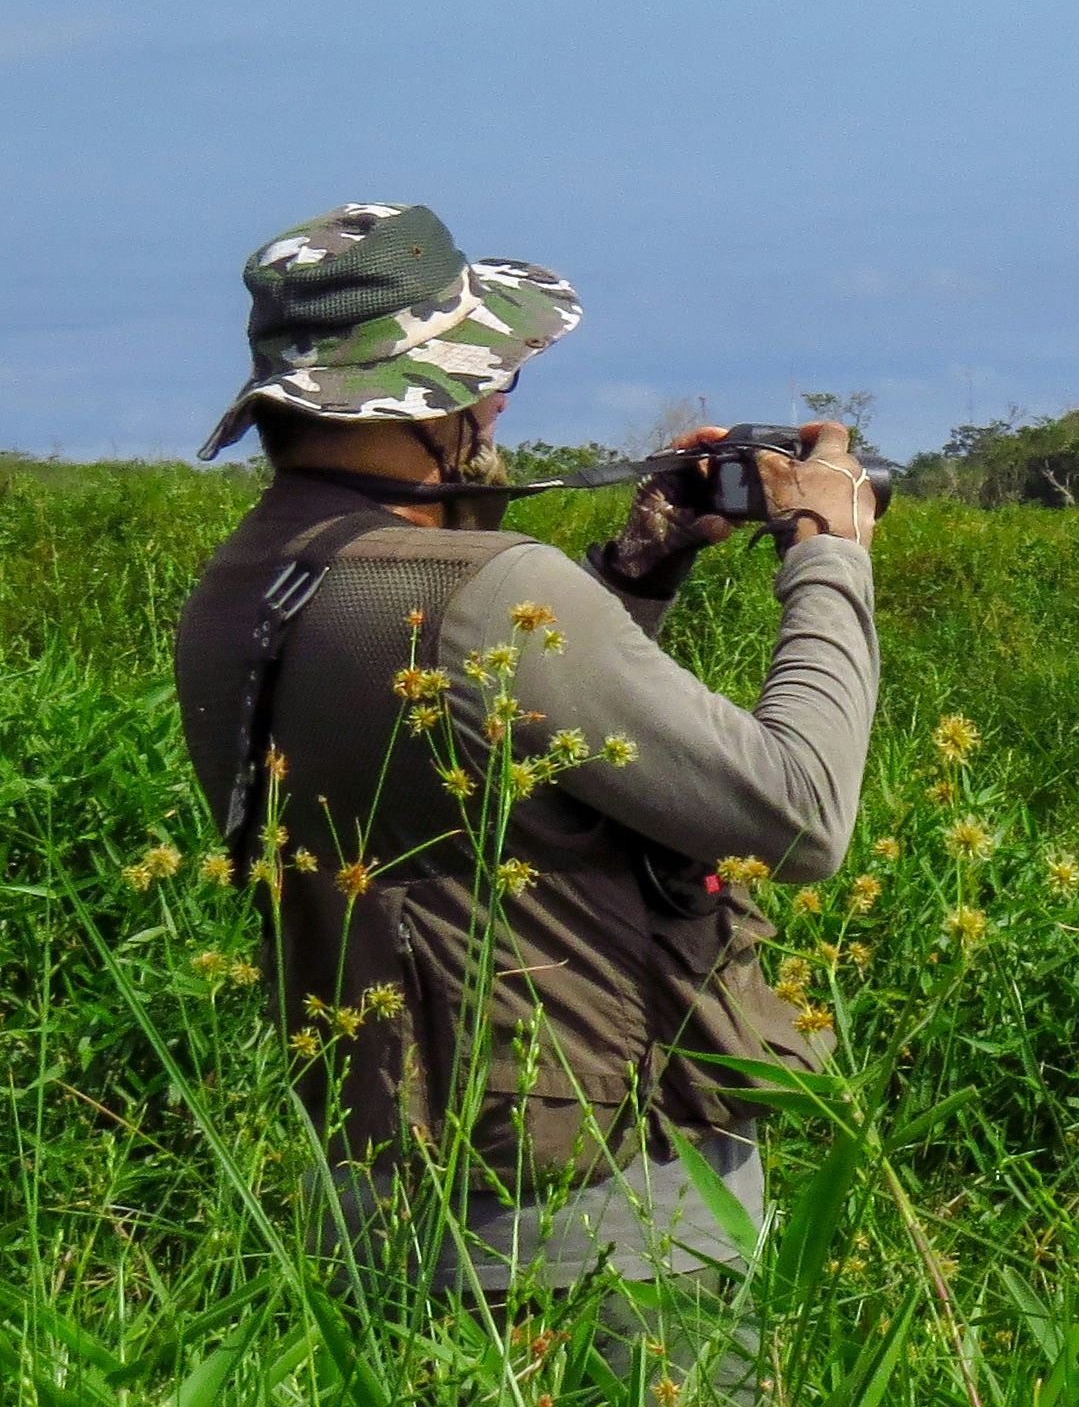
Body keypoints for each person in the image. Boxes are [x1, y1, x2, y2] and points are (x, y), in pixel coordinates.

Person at [168, 201, 880, 1337]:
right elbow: (798, 815)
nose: (499, 399)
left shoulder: (241, 584)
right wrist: (830, 556)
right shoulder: (484, 586)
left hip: (372, 1199)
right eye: (488, 374)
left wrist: (629, 578)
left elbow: (458, 755)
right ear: (434, 397)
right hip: (601, 1229)